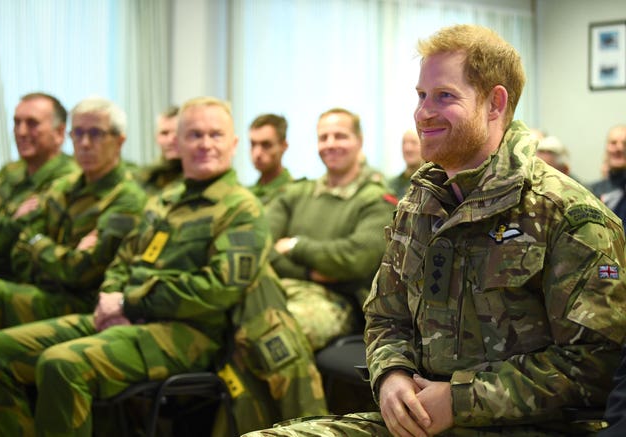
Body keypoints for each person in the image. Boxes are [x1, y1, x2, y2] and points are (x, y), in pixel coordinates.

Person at [244, 24, 626, 437]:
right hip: (421, 423)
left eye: (444, 96)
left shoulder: (567, 215)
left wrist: (460, 400)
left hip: (529, 426)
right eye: (421, 95)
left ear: (494, 103)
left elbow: (594, 366)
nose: (423, 112)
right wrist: (391, 375)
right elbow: (384, 315)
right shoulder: (421, 203)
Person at [0, 96, 326, 436]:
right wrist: (111, 297)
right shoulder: (164, 200)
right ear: (177, 143)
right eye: (194, 135)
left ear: (233, 143)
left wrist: (130, 301)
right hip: (125, 317)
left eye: (215, 135)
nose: (205, 144)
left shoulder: (241, 208)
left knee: (61, 365)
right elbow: (123, 260)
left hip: (188, 333)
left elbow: (218, 288)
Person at [0, 96, 147, 334]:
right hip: (41, 290)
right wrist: (50, 251)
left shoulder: (125, 197)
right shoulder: (63, 187)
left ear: (119, 141)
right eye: (78, 133)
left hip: (80, 304)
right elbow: (20, 249)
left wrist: (37, 244)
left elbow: (79, 272)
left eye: (96, 134)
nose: (84, 143)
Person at [266, 107, 397, 352]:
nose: (330, 144)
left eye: (340, 136)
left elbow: (353, 259)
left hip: (338, 302)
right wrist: (311, 272)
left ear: (359, 142)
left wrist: (295, 246)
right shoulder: (295, 194)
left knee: (275, 340)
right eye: (323, 137)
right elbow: (261, 246)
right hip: (280, 288)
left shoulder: (376, 201)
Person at [0, 92, 79, 215]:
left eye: (32, 123)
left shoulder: (73, 178)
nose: (21, 132)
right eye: (17, 123)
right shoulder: (10, 170)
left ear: (59, 132)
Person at [136, 105, 183, 195]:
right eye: (164, 133)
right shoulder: (146, 176)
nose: (170, 140)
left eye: (178, 133)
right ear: (156, 137)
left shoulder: (198, 175)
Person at [248, 113, 293, 205]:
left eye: (266, 145)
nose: (257, 153)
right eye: (253, 144)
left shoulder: (295, 194)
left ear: (283, 146)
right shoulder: (246, 195)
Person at [588, 125, 626, 229]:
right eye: (613, 143)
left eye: (625, 144)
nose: (619, 148)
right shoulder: (592, 191)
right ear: (606, 148)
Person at [388, 129, 424, 199]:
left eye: (414, 143)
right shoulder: (391, 185)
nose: (408, 148)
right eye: (404, 143)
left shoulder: (430, 184)